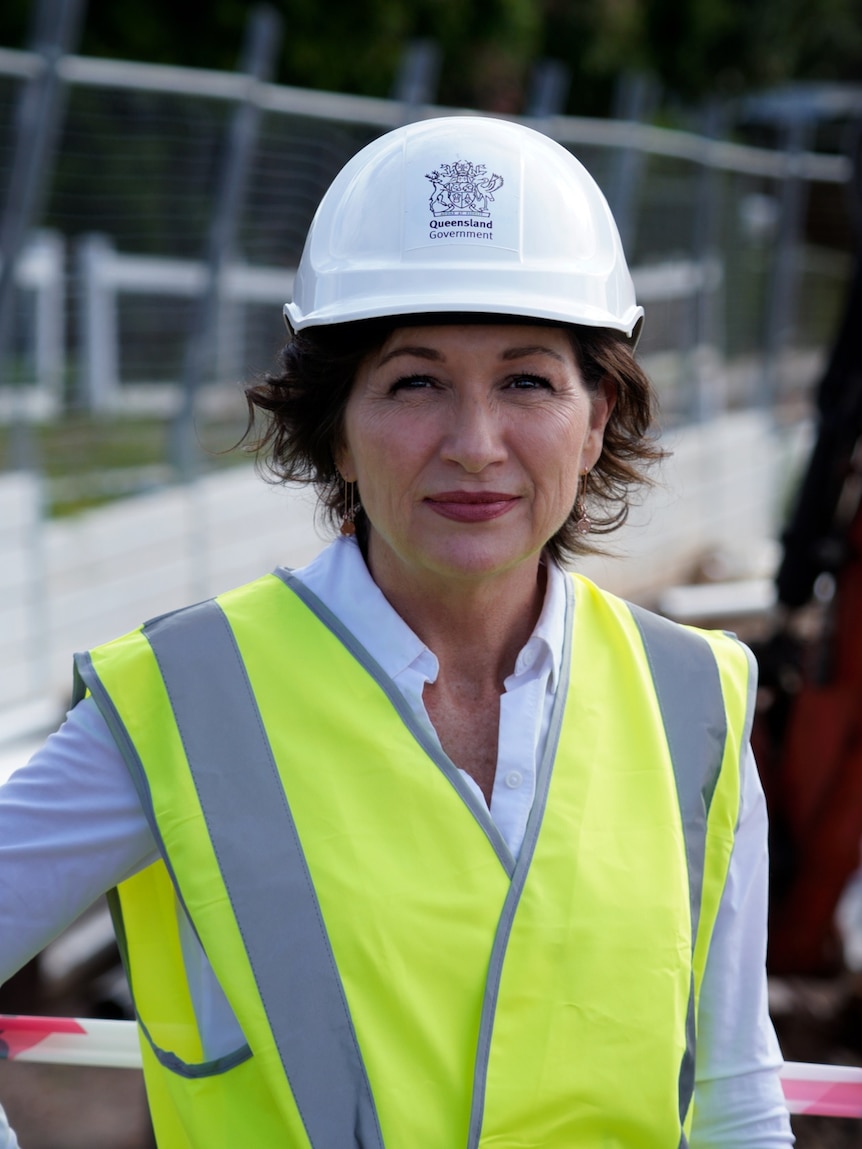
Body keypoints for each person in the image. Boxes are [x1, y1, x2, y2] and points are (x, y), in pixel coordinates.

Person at [0, 116, 793, 1148]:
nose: (473, 446)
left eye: (527, 381)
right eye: (414, 382)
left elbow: (735, 1096)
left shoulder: (695, 700)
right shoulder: (180, 701)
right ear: (335, 422)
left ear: (596, 417)